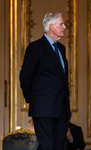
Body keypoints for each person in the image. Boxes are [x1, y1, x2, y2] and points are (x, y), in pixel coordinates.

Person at [19, 12, 70, 150]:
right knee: (47, 147)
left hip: (62, 109)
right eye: (61, 24)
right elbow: (25, 76)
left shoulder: (61, 48)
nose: (64, 26)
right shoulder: (36, 47)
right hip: (43, 108)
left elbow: (62, 78)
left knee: (60, 147)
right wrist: (33, 99)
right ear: (51, 27)